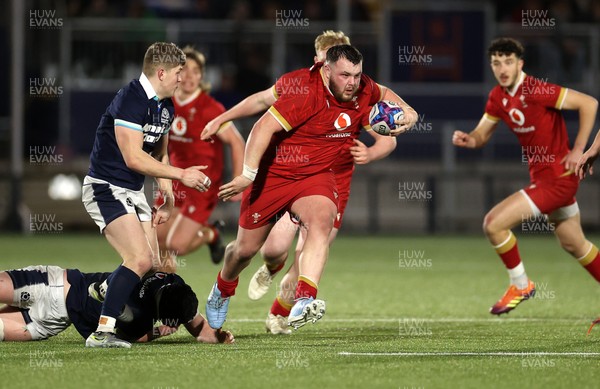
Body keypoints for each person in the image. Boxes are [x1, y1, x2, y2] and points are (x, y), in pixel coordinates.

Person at [202, 44, 417, 331]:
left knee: (321, 221)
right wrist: (247, 175)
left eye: (356, 74)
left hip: (316, 176)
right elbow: (262, 127)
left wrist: (411, 114)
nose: (352, 82)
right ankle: (223, 289)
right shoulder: (303, 89)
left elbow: (389, 96)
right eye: (344, 75)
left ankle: (304, 300)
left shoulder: (364, 88)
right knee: (244, 251)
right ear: (326, 69)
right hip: (274, 175)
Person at [452, 37, 599, 316]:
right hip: (546, 179)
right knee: (574, 244)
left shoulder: (535, 89)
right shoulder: (498, 97)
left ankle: (520, 284)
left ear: (520, 64)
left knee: (493, 224)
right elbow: (481, 136)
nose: (502, 68)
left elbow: (589, 103)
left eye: (508, 62)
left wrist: (579, 149)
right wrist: (468, 139)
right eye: (496, 63)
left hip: (557, 179)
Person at [81, 42, 211, 348]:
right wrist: (183, 176)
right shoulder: (131, 99)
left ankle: (107, 286)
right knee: (138, 259)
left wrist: (167, 196)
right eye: (179, 72)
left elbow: (159, 155)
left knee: (152, 266)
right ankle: (102, 333)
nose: (183, 78)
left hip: (133, 191)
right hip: (105, 187)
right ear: (162, 72)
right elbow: (133, 158)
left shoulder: (165, 106)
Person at [154, 46, 245, 272]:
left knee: (176, 245)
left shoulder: (210, 108)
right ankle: (165, 293)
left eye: (196, 71)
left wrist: (239, 180)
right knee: (155, 240)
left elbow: (236, 142)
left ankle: (210, 234)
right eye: (185, 70)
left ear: (202, 75)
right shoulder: (166, 103)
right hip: (176, 180)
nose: (190, 76)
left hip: (202, 185)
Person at [0, 265, 234, 345]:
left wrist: (216, 335)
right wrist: (158, 332)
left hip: (54, 321)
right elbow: (134, 336)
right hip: (55, 285)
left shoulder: (171, 281)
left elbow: (194, 322)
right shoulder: (140, 319)